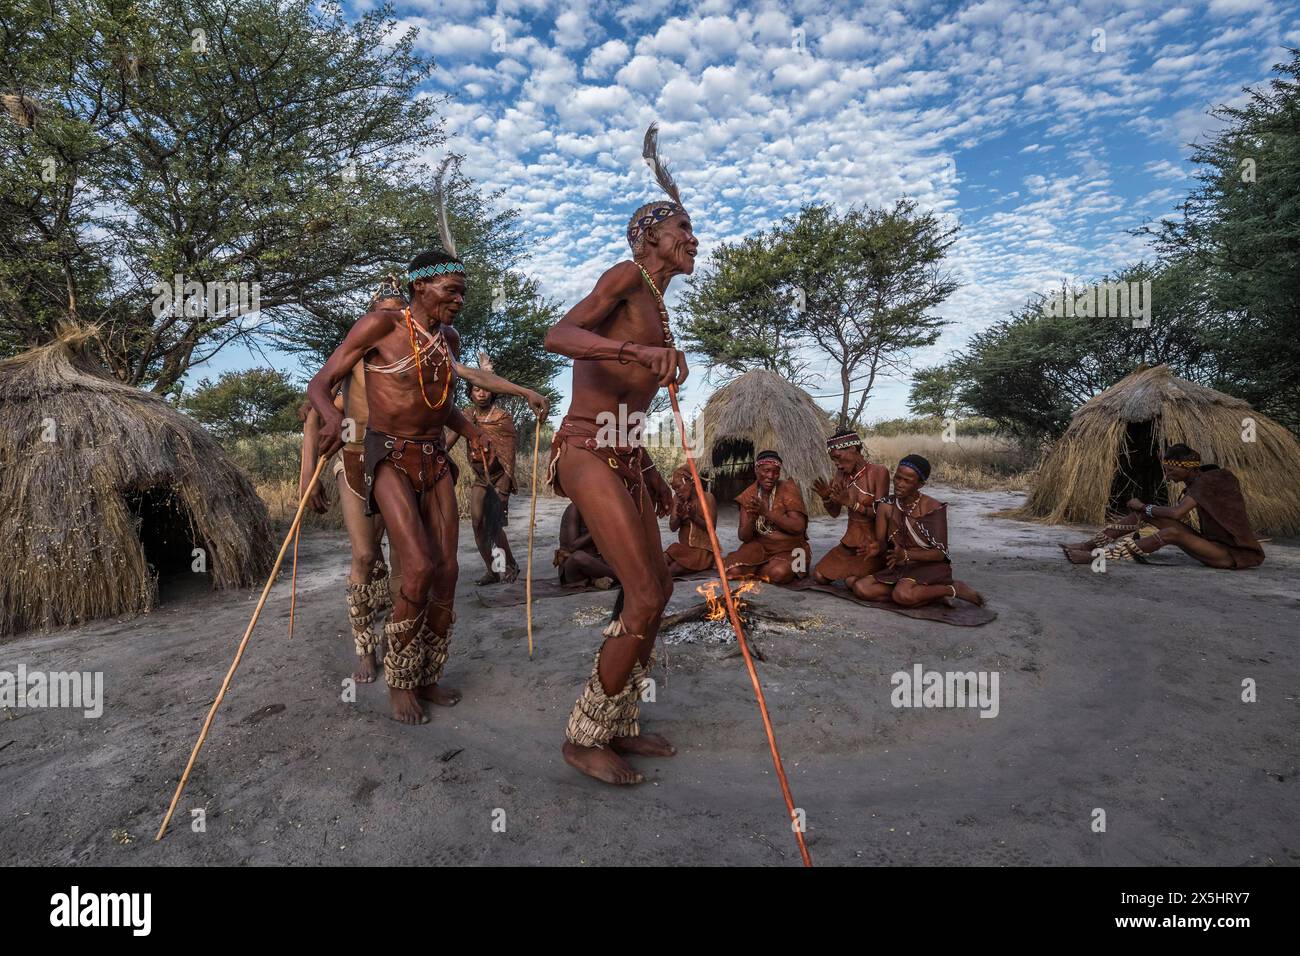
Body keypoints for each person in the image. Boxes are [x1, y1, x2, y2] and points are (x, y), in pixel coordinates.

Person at [308, 171, 548, 725]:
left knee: (448, 573)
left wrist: (477, 433)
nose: (459, 301)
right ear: (420, 286)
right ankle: (398, 676)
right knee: (413, 566)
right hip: (386, 455)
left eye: (463, 293)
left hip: (435, 461)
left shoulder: (449, 340)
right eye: (451, 291)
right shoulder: (381, 326)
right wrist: (327, 422)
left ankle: (429, 673)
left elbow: (440, 407)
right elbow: (320, 385)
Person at [542, 123, 693, 785]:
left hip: (628, 458)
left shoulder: (659, 308)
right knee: (640, 591)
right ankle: (583, 737)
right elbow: (558, 334)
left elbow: (628, 414)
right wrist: (635, 351)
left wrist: (656, 477)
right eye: (682, 228)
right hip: (584, 451)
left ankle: (621, 721)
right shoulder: (627, 277)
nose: (694, 239)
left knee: (658, 590)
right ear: (647, 237)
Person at [297, 279, 404, 683]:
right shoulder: (356, 355)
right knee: (364, 556)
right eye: (384, 311)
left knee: (398, 559)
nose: (391, 319)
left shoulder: (408, 353)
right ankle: (365, 646)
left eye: (398, 311)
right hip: (355, 460)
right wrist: (310, 471)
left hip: (397, 461)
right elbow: (316, 411)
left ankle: (398, 644)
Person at [1061, 443, 1265, 569]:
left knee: (1170, 533)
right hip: (1209, 544)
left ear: (1186, 467)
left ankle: (1097, 557)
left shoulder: (1210, 480)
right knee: (1144, 515)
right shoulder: (1198, 481)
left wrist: (1143, 506)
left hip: (1232, 555)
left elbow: (1177, 513)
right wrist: (1144, 510)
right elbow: (1174, 514)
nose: (1166, 476)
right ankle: (1088, 546)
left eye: (1170, 470)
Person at [851, 454, 984, 607]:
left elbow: (940, 553)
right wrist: (876, 547)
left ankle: (952, 589)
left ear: (920, 484)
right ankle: (925, 594)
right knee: (861, 588)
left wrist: (907, 555)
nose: (899, 484)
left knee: (902, 594)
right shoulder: (886, 506)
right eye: (897, 478)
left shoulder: (932, 508)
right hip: (900, 566)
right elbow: (882, 544)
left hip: (928, 566)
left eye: (907, 481)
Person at [447, 368, 520, 585]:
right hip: (480, 477)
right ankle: (493, 569)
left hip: (499, 477)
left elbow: (509, 456)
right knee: (478, 524)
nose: (481, 394)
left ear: (492, 393)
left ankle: (510, 566)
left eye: (486, 390)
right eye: (477, 389)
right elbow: (449, 441)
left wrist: (505, 487)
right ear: (470, 392)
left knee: (492, 525)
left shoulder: (502, 418)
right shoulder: (467, 416)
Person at [811, 429, 890, 588]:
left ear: (853, 449)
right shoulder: (841, 475)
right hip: (849, 542)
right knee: (819, 575)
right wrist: (826, 497)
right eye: (833, 460)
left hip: (871, 544)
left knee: (851, 581)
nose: (837, 464)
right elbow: (834, 513)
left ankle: (879, 567)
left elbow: (882, 513)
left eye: (838, 457)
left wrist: (853, 504)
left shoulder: (878, 472)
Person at [722, 450, 810, 585]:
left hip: (793, 548)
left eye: (775, 472)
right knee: (731, 572)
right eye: (766, 470)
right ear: (756, 470)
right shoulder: (748, 495)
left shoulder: (788, 488)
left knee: (778, 574)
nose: (771, 476)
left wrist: (766, 513)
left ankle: (758, 568)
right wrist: (752, 517)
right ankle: (761, 567)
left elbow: (798, 527)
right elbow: (744, 537)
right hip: (760, 547)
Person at [663, 463, 717, 576]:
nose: (677, 491)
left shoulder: (708, 498)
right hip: (684, 548)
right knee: (664, 558)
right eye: (674, 488)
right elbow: (672, 527)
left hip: (703, 551)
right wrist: (679, 516)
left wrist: (692, 517)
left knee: (674, 569)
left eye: (679, 486)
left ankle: (656, 583)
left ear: (691, 482)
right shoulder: (677, 499)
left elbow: (712, 529)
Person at [554, 502, 617, 587]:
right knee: (578, 557)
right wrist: (597, 529)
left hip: (595, 563)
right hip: (575, 568)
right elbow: (572, 546)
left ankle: (596, 580)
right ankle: (621, 578)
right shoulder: (574, 509)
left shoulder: (595, 509)